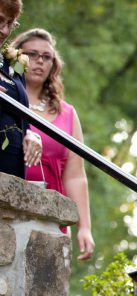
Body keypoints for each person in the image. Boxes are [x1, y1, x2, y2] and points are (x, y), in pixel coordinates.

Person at [13, 28, 93, 260]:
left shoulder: (66, 113)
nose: (39, 61)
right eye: (32, 54)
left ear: (54, 64)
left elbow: (75, 175)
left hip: (51, 215)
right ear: (17, 55)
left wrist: (84, 226)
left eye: (46, 57)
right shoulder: (4, 97)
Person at [0, 0, 41, 178]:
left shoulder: (12, 63)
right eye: (0, 20)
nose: (5, 31)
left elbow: (19, 114)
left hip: (11, 175)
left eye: (10, 23)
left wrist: (30, 134)